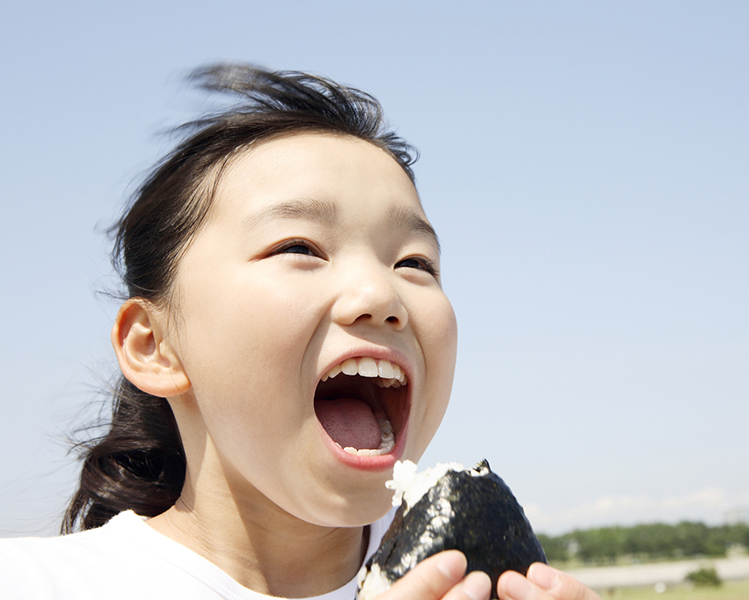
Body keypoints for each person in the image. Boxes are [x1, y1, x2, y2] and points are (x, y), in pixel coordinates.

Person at [0, 64, 599, 600]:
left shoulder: (488, 582)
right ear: (153, 345)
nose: (381, 295)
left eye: (414, 262)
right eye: (299, 247)